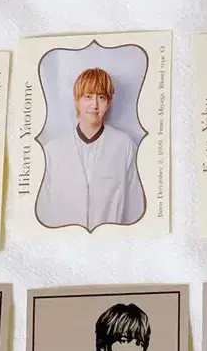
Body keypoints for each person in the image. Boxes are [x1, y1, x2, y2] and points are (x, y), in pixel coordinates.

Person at [37, 67, 143, 231]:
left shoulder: (124, 145)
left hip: (111, 240)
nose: (94, 105)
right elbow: (45, 209)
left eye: (101, 97)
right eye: (88, 96)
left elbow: (135, 205)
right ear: (77, 100)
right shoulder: (53, 151)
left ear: (109, 102)